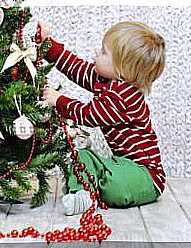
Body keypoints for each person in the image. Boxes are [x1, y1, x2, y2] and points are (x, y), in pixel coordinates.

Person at [38, 20, 166, 215]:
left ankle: (95, 188)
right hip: (122, 165)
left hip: (145, 176)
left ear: (123, 69)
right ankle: (82, 195)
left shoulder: (124, 96)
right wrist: (48, 45)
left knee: (114, 185)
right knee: (82, 157)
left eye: (104, 52)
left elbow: (89, 114)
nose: (97, 53)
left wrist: (58, 100)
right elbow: (76, 68)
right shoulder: (107, 80)